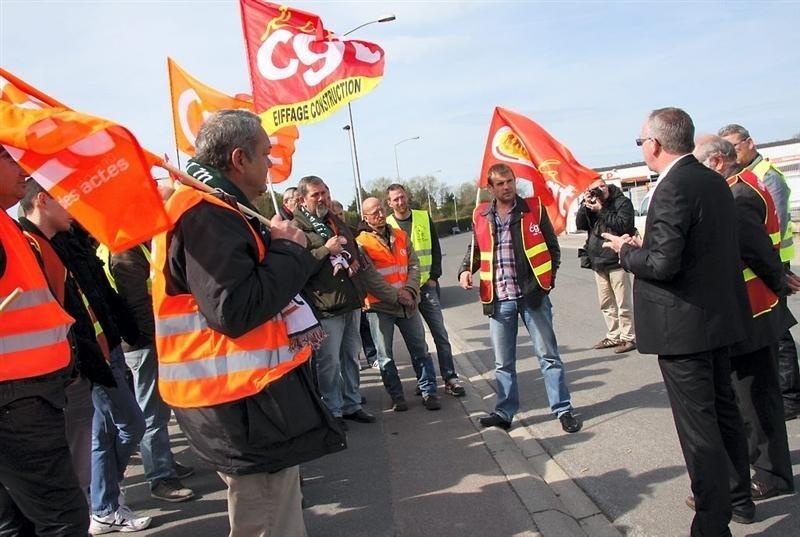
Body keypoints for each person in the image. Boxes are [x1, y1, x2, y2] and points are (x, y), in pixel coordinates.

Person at [153, 109, 345, 537]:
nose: (271, 165)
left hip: (247, 399)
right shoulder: (206, 213)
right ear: (239, 159)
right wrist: (288, 251)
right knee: (267, 520)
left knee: (276, 512)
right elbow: (234, 310)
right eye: (265, 154)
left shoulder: (218, 208)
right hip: (240, 401)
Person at [602, 108, 753, 537]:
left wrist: (626, 253)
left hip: (684, 329)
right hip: (715, 321)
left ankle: (711, 523)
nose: (641, 149)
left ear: (655, 143)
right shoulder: (713, 179)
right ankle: (739, 500)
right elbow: (694, 248)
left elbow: (664, 264)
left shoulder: (673, 187)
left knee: (700, 432)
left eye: (640, 142)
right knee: (725, 415)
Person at [694, 135, 796, 503]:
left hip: (753, 310)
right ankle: (765, 466)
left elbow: (756, 252)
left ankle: (771, 474)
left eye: (700, 165)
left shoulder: (736, 198)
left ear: (719, 162)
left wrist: (779, 281)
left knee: (755, 400)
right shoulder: (739, 190)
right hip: (752, 309)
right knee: (750, 397)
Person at [0, 147, 89, 536]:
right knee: (63, 521)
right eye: (8, 158)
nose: (23, 168)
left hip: (23, 397)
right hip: (17, 402)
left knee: (17, 523)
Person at [19, 180, 120, 510]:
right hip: (53, 379)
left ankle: (98, 506)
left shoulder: (55, 244)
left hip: (74, 369)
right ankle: (102, 508)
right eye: (68, 201)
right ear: (44, 201)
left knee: (82, 462)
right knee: (71, 475)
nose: (74, 210)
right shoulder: (29, 244)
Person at [458, 164, 580, 433]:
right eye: (500, 183)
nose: (507, 187)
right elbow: (475, 248)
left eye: (510, 181)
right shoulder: (481, 214)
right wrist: (465, 269)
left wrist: (546, 285)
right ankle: (504, 412)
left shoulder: (533, 208)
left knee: (548, 356)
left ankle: (562, 409)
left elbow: (552, 249)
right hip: (498, 299)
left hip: (532, 298)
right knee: (503, 363)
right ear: (490, 188)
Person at [96, 237, 196, 503]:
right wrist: (160, 338)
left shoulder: (127, 247)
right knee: (152, 412)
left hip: (146, 341)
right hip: (145, 342)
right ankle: (160, 477)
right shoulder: (124, 250)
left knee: (159, 409)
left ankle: (165, 464)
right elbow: (139, 303)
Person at [292, 176, 394, 427]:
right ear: (302, 199)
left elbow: (353, 247)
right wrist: (326, 250)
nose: (322, 198)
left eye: (325, 192)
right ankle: (333, 410)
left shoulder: (334, 220)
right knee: (329, 362)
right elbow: (298, 266)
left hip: (350, 299)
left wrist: (353, 259)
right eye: (316, 194)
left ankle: (351, 404)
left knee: (350, 356)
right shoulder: (297, 228)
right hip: (326, 307)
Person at [719, 124, 800, 421]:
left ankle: (790, 395)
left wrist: (777, 272)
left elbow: (768, 224)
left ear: (749, 143)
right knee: (768, 333)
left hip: (773, 262)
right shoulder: (740, 178)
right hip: (763, 264)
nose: (730, 153)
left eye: (734, 147)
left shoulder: (766, 174)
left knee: (777, 332)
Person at [356, 197, 441, 411]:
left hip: (408, 304)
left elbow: (414, 265)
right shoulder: (361, 243)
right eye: (374, 212)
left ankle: (429, 391)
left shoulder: (400, 236)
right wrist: (397, 296)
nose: (380, 214)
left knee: (420, 349)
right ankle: (397, 397)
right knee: (385, 356)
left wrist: (411, 291)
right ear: (365, 217)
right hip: (380, 307)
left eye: (381, 210)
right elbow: (370, 278)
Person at [386, 183, 466, 396]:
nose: (400, 202)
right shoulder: (387, 224)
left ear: (407, 196)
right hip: (405, 292)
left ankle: (450, 378)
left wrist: (434, 277)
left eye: (402, 197)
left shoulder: (422, 216)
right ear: (389, 203)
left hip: (427, 287)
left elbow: (436, 249)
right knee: (417, 340)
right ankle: (425, 383)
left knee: (440, 334)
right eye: (395, 199)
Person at [575, 177, 637, 354]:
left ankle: (628, 337)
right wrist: (584, 206)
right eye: (595, 188)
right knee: (606, 303)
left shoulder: (621, 202)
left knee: (622, 301)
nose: (600, 190)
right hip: (598, 260)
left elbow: (624, 225)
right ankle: (613, 335)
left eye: (602, 186)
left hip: (616, 259)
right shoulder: (592, 203)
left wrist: (601, 210)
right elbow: (581, 224)